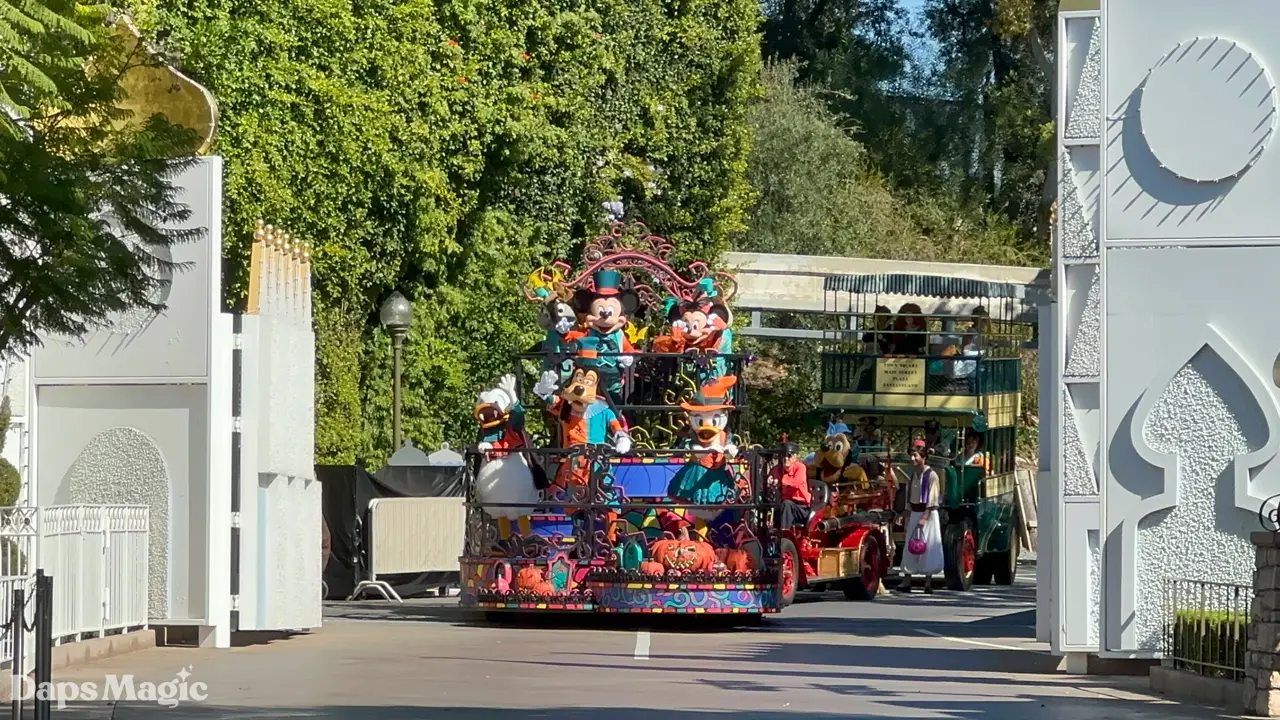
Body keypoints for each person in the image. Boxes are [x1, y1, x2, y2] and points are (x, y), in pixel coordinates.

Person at [897, 439, 944, 594]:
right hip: (915, 513)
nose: (913, 459)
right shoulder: (913, 476)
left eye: (915, 456)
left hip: (927, 515)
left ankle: (928, 581)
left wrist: (925, 516)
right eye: (911, 456)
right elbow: (910, 499)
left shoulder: (932, 476)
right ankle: (907, 578)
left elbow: (933, 499)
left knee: (928, 546)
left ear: (923, 457)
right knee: (911, 546)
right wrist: (904, 514)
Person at [772, 437, 812, 530]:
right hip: (787, 505)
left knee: (786, 504)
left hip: (801, 507)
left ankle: (784, 535)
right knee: (775, 505)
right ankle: (772, 534)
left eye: (789, 456)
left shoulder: (800, 467)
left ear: (795, 457)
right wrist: (769, 479)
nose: (786, 459)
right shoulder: (778, 468)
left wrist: (780, 481)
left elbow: (797, 483)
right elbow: (771, 475)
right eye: (783, 456)